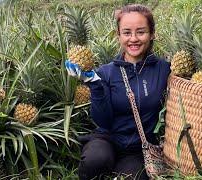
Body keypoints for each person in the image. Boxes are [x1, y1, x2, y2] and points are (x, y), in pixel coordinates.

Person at [65, 4, 171, 180]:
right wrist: (95, 85)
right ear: (119, 36)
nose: (134, 39)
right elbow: (103, 121)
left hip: (139, 148)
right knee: (95, 160)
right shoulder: (105, 72)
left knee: (135, 177)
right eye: (127, 32)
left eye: (141, 32)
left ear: (152, 34)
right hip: (107, 140)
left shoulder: (163, 69)